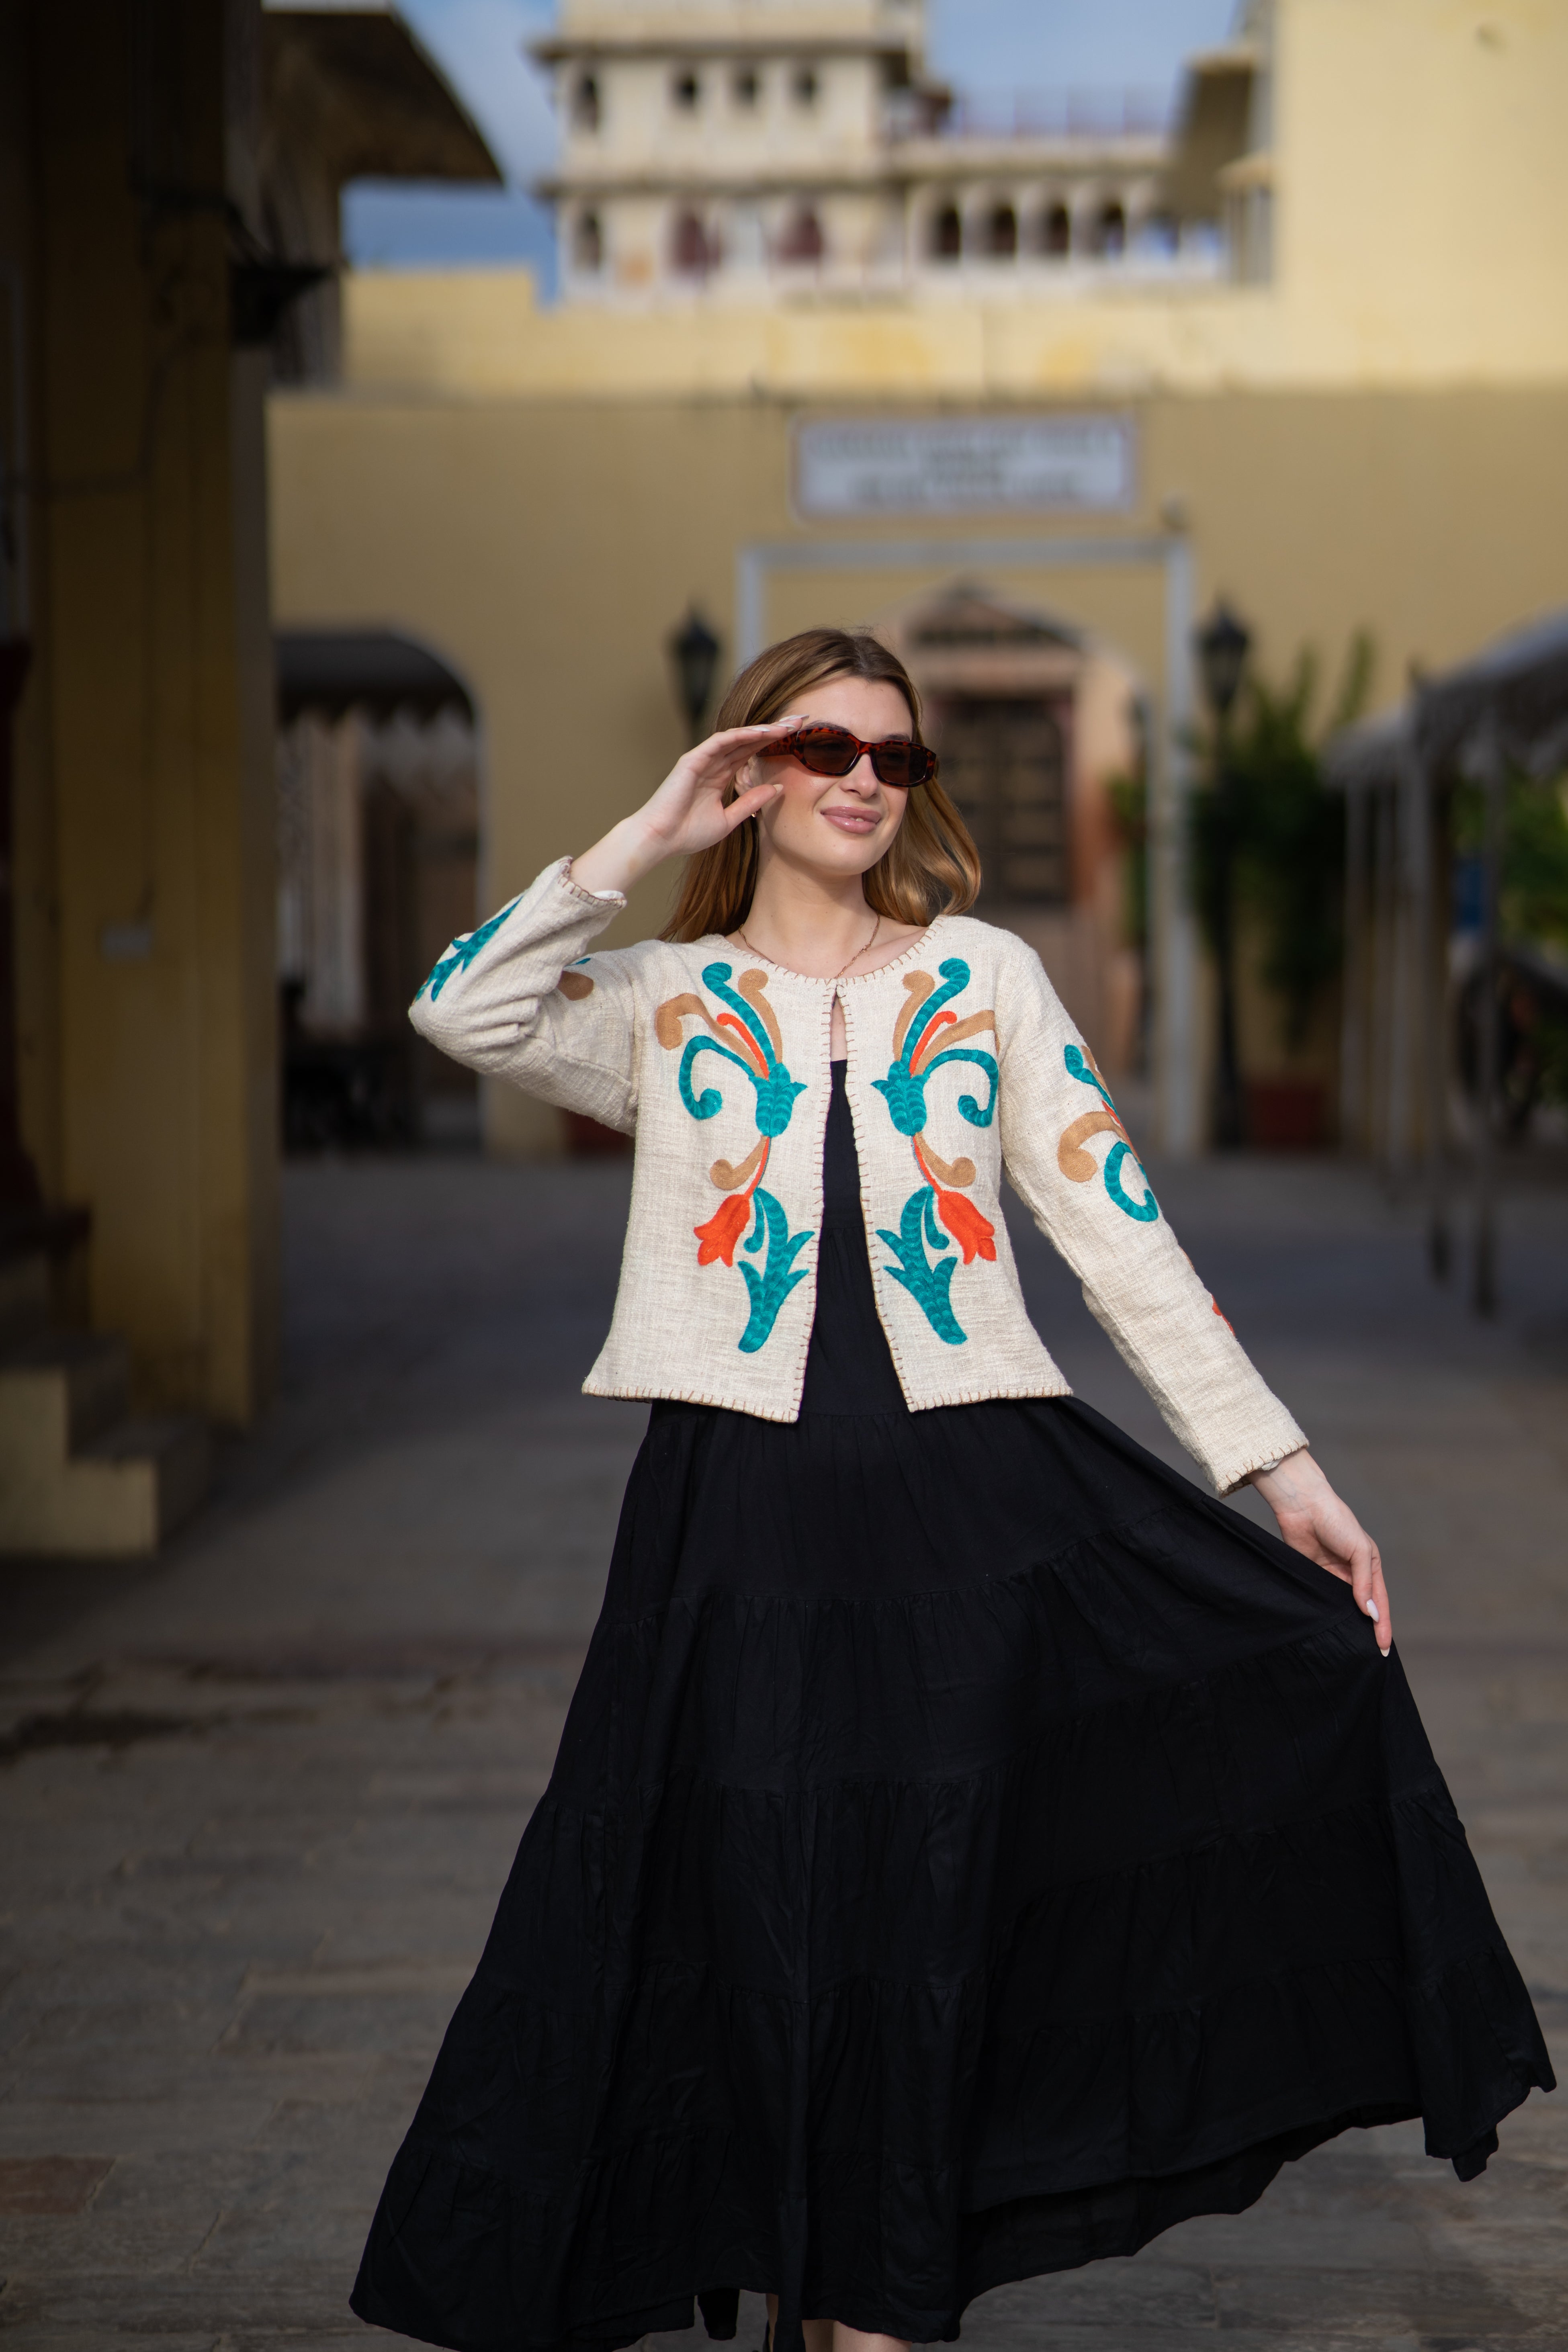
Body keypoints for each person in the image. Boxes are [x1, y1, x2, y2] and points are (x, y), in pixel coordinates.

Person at [351, 628, 1550, 2352]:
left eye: (893, 757)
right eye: (819, 746)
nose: (858, 778)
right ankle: (799, 2246)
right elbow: (461, 1004)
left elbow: (1119, 1238)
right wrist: (645, 835)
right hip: (729, 1539)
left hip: (969, 1528)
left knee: (926, 1905)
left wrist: (1281, 1471)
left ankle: (881, 2289)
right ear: (752, 769)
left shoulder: (981, 980)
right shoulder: (668, 1005)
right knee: (749, 1904)